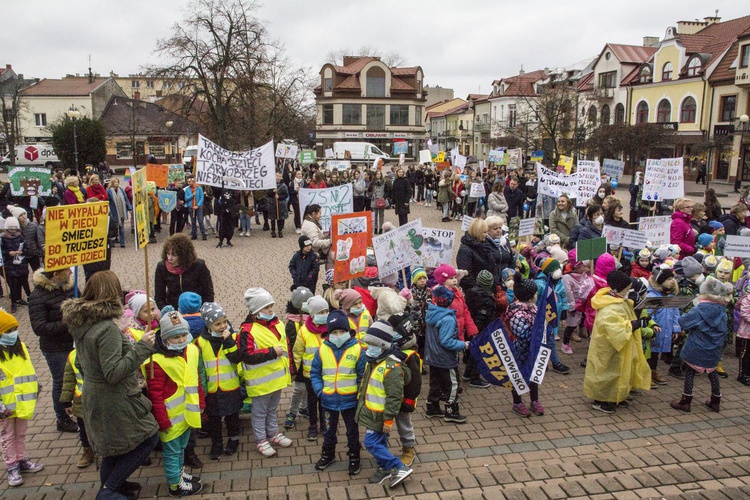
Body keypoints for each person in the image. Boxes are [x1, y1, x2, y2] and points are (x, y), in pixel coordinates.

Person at [61, 271, 159, 499]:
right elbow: (113, 372)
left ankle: (115, 484)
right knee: (148, 437)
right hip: (113, 398)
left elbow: (86, 363)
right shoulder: (106, 329)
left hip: (95, 394)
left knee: (113, 449)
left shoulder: (83, 322)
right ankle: (109, 490)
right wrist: (143, 347)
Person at [146, 310, 205, 496]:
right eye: (176, 337)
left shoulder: (191, 351)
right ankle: (174, 485)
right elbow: (155, 395)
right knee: (172, 453)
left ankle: (179, 475)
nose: (181, 340)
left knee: (181, 448)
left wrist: (200, 401)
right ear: (165, 339)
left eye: (183, 335)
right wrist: (162, 421)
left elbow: (195, 378)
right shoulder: (156, 362)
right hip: (170, 418)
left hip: (186, 414)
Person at [584, 270, 652, 414]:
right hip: (609, 345)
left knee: (619, 371)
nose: (628, 292)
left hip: (621, 343)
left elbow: (626, 317)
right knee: (607, 371)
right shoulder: (609, 306)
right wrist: (635, 324)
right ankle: (601, 400)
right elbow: (615, 328)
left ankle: (616, 396)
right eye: (627, 289)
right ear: (617, 289)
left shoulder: (618, 300)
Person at [357, 320, 413, 488]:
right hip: (373, 412)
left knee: (371, 443)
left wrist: (388, 420)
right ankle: (384, 468)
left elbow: (394, 397)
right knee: (380, 442)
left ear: (383, 346)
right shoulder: (374, 360)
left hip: (380, 415)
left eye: (373, 345)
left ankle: (398, 466)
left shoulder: (391, 366)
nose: (369, 348)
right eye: (368, 344)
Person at [238, 288, 293, 457]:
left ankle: (273, 433)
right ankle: (261, 440)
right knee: (259, 412)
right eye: (266, 307)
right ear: (255, 311)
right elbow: (246, 356)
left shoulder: (278, 324)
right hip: (260, 382)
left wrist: (289, 369)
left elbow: (285, 347)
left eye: (271, 306)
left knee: (272, 408)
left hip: (276, 378)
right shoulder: (247, 330)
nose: (270, 310)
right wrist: (271, 352)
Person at [309, 309, 365, 475]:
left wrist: (358, 395)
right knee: (328, 430)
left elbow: (362, 376)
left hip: (351, 401)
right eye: (335, 332)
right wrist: (320, 391)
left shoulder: (357, 350)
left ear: (349, 331)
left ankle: (354, 455)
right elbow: (315, 373)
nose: (339, 335)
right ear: (328, 333)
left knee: (352, 431)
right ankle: (328, 454)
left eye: (342, 331)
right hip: (328, 400)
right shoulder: (322, 350)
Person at [670, 276, 733, 413]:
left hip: (697, 345)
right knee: (712, 372)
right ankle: (716, 401)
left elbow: (684, 321)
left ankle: (686, 401)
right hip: (714, 347)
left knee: (690, 372)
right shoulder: (722, 309)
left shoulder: (700, 309)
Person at [28, 267, 78, 433]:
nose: (71, 273)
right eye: (67, 271)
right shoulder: (37, 296)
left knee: (77, 379)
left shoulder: (71, 286)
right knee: (61, 382)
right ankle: (62, 418)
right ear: (56, 274)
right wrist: (66, 322)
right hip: (55, 348)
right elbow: (39, 327)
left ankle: (77, 410)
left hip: (75, 342)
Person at [0, 311, 44, 487]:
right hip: (5, 407)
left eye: (15, 329)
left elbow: (28, 369)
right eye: (8, 330)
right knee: (7, 436)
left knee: (20, 433)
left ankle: (20, 459)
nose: (13, 333)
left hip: (21, 403)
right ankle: (12, 466)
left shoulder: (21, 347)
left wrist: (36, 384)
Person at [196, 302, 242, 460]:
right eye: (217, 324)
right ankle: (216, 442)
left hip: (230, 386)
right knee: (213, 418)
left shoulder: (233, 336)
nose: (222, 326)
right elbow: (199, 365)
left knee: (232, 415)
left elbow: (236, 358)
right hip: (212, 388)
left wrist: (229, 341)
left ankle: (233, 439)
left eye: (224, 321)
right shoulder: (201, 341)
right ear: (209, 324)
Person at [424, 285, 469, 422]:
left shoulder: (431, 313)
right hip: (445, 358)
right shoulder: (448, 319)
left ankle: (432, 407)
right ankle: (451, 410)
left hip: (432, 356)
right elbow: (446, 341)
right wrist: (463, 345)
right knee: (453, 383)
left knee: (435, 382)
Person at [505, 275, 544, 417]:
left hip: (532, 349)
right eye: (535, 293)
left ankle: (534, 400)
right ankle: (517, 402)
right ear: (529, 297)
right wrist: (536, 333)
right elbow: (521, 332)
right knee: (518, 375)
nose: (537, 295)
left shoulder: (533, 308)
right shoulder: (518, 313)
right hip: (520, 349)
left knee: (534, 375)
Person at [292, 295, 328, 441]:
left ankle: (324, 424)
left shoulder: (331, 328)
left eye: (326, 311)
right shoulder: (303, 331)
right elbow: (297, 352)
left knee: (324, 401)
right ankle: (313, 425)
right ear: (312, 315)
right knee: (312, 401)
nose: (325, 315)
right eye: (321, 313)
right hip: (310, 374)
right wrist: (295, 370)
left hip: (327, 373)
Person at [154, 234, 215, 310]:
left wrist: (203, 310)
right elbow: (159, 297)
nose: (169, 258)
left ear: (184, 255)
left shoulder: (199, 265)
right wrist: (168, 311)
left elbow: (208, 293)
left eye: (174, 255)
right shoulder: (161, 267)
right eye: (168, 253)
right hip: (174, 310)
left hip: (197, 309)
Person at [60, 344, 95, 468]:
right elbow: (69, 380)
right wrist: (66, 401)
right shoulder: (72, 355)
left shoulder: (98, 351)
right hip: (81, 401)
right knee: (84, 430)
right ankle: (87, 452)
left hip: (99, 399)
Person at [283, 287, 313, 429]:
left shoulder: (313, 318)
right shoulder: (291, 323)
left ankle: (304, 407)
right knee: (299, 388)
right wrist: (293, 367)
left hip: (311, 361)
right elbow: (292, 346)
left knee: (308, 387)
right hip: (298, 362)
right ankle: (292, 412)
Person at [645, 267, 680, 386]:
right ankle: (647, 373)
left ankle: (654, 371)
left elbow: (675, 312)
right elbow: (649, 314)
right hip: (656, 329)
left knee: (657, 352)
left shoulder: (670, 295)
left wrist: (676, 328)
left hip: (666, 328)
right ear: (660, 280)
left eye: (673, 279)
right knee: (650, 352)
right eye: (669, 279)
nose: (672, 281)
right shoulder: (652, 295)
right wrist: (651, 328)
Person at [2, 217, 29, 313]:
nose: (13, 231)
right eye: (11, 229)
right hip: (10, 265)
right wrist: (9, 253)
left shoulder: (20, 236)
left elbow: (26, 247)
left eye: (14, 229)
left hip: (21, 263)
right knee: (13, 285)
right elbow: (2, 252)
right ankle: (13, 302)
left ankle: (21, 299)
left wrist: (22, 252)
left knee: (23, 282)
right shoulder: (3, 238)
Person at [301, 204, 333, 268]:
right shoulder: (310, 226)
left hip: (314, 249)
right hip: (313, 252)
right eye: (320, 213)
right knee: (332, 255)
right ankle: (331, 272)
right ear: (314, 214)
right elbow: (315, 242)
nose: (321, 216)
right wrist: (330, 241)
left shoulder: (310, 221)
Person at [107, 178, 133, 247]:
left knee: (121, 228)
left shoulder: (121, 190)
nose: (116, 183)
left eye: (117, 182)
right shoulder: (109, 191)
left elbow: (125, 199)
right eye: (115, 182)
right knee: (114, 228)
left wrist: (129, 208)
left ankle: (122, 243)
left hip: (121, 211)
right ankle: (112, 243)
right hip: (113, 212)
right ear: (112, 183)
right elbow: (107, 201)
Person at [268, 171, 289, 238]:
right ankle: (273, 231)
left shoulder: (284, 186)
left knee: (281, 218)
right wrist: (272, 192)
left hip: (281, 204)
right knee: (273, 218)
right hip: (273, 203)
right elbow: (268, 194)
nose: (278, 177)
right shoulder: (271, 185)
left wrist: (279, 197)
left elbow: (286, 195)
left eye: (279, 176)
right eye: (277, 176)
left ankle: (280, 230)